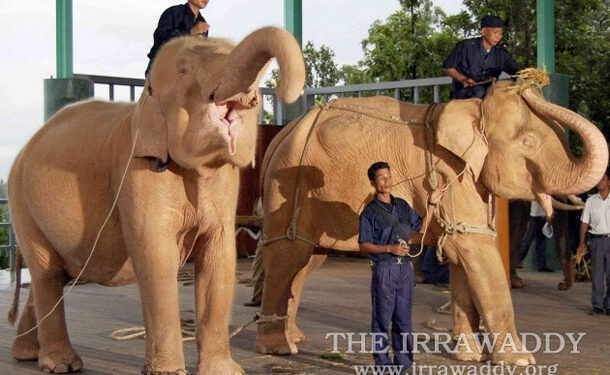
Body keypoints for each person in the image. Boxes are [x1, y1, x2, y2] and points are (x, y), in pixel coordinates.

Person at [358, 161, 447, 372]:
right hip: (384, 270)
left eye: (388, 176)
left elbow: (422, 227)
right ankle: (382, 364)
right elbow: (363, 245)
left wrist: (432, 204)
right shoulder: (369, 213)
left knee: (403, 319)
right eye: (381, 177)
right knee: (382, 320)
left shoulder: (402, 206)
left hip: (404, 270)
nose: (387, 180)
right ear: (373, 182)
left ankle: (404, 363)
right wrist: (389, 247)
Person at [443, 15, 521, 99]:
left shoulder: (501, 54)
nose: (499, 36)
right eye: (495, 32)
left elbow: (516, 70)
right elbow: (447, 67)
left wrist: (528, 74)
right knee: (479, 91)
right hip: (463, 92)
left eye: (501, 33)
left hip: (490, 92)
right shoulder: (466, 46)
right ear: (484, 31)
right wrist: (463, 79)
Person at [145, 0, 211, 76]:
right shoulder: (173, 12)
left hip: (183, 75)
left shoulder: (202, 23)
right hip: (161, 68)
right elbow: (160, 37)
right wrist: (191, 32)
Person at [577, 167, 610, 316]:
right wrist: (581, 243)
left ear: (609, 182)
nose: (600, 183)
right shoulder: (591, 201)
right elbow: (584, 222)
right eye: (598, 180)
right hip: (596, 240)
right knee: (597, 275)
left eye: (603, 179)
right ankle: (597, 305)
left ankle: (609, 306)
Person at [516, 201, 554, 272]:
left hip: (543, 218)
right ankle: (518, 259)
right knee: (528, 241)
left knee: (541, 242)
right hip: (535, 218)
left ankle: (541, 265)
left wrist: (549, 216)